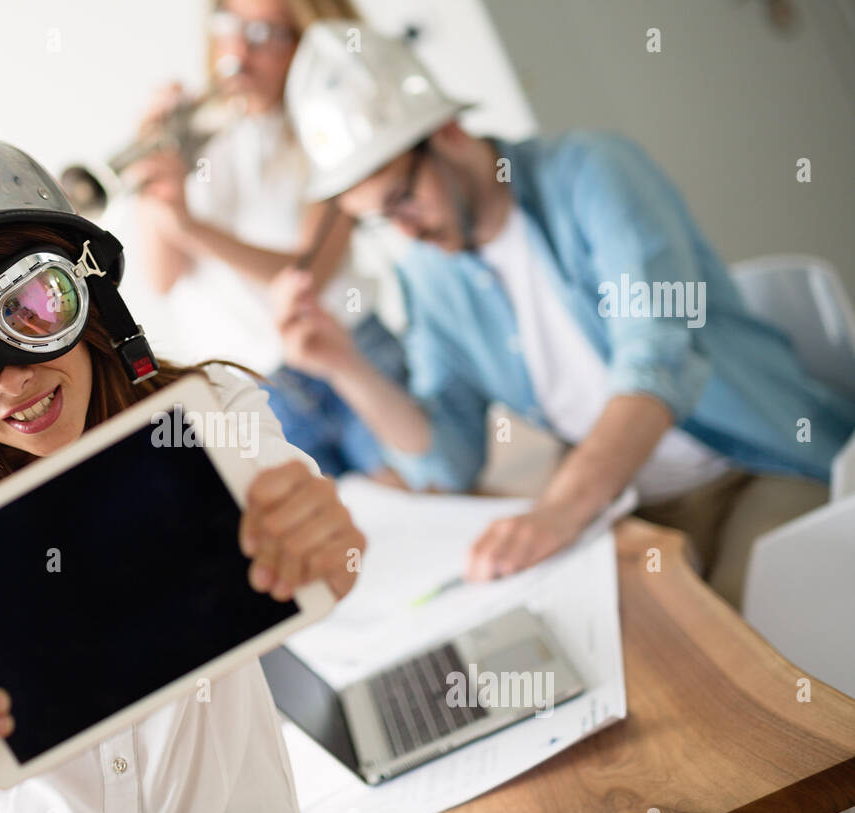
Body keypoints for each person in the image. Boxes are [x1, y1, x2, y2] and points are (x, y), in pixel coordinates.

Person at [0, 136, 365, 813]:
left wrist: (325, 542)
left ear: (91, 297)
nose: (11, 379)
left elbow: (325, 558)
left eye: (32, 307)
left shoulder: (209, 417)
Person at [275, 21, 855, 609]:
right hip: (630, 501)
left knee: (739, 651)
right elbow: (449, 463)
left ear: (447, 132)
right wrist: (344, 365)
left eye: (402, 198)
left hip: (753, 467)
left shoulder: (595, 172)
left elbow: (657, 362)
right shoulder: (430, 275)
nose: (406, 231)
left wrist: (557, 512)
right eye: (379, 219)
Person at [130, 0, 408, 482]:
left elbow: (308, 273)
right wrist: (154, 156)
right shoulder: (192, 134)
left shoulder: (334, 129)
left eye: (265, 34)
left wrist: (189, 224)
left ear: (307, 42)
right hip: (254, 390)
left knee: (430, 508)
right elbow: (162, 277)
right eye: (228, 25)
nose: (237, 49)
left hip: (345, 351)